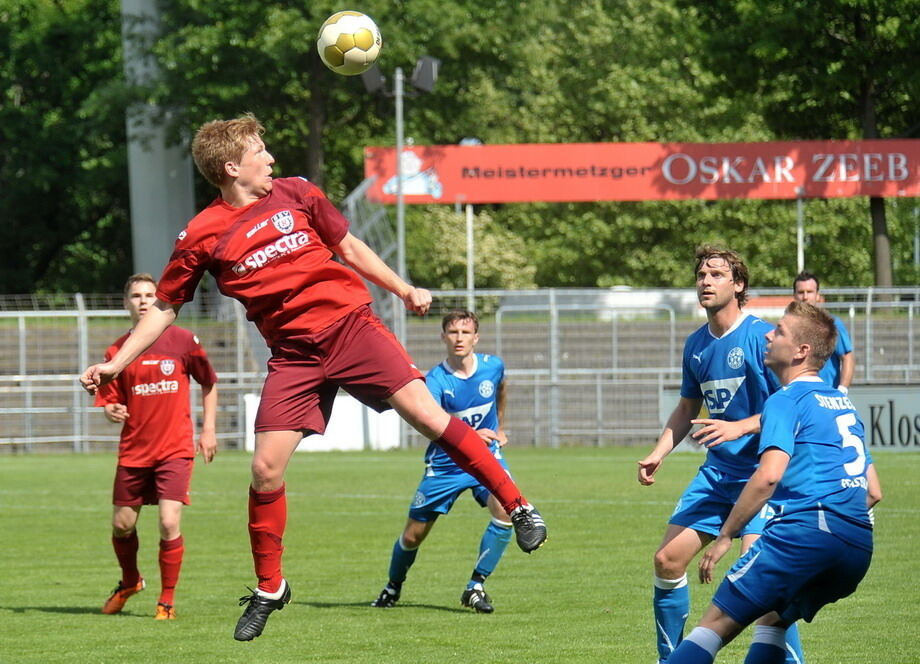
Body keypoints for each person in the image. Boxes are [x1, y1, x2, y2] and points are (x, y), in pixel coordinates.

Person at [79, 114, 546, 642]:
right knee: (264, 468)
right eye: (260, 151)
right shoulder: (201, 235)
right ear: (232, 167)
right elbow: (165, 307)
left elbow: (348, 247)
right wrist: (114, 364)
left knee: (428, 416)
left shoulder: (297, 193)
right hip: (294, 356)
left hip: (350, 327)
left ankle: (519, 505)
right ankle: (270, 587)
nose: (271, 158)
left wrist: (403, 289)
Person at [664, 301, 881, 664]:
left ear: (801, 351)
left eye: (779, 331)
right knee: (773, 621)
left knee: (712, 627)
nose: (768, 333)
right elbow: (874, 491)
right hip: (857, 549)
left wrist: (725, 536)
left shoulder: (785, 399)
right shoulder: (842, 406)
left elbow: (768, 476)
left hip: (807, 536)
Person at [636, 245, 804, 664]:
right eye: (701, 275)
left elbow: (791, 404)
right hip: (717, 474)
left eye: (716, 274)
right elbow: (687, 407)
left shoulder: (762, 337)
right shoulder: (695, 344)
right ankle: (672, 658)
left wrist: (740, 426)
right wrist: (660, 452)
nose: (706, 282)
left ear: (738, 284)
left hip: (763, 473)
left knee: (759, 574)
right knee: (667, 560)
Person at [371, 310, 514, 613]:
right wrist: (475, 433)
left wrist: (499, 426)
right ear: (443, 337)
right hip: (446, 466)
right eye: (453, 332)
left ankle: (476, 586)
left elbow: (501, 389)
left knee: (506, 510)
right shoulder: (435, 381)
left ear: (476, 337)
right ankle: (393, 586)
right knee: (412, 537)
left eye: (465, 333)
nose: (459, 338)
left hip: (485, 460)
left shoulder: (493, 367)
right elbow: (433, 424)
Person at [95, 273, 218, 620]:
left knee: (168, 522)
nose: (144, 300)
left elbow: (209, 383)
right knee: (122, 524)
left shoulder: (182, 340)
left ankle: (166, 600)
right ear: (126, 303)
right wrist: (110, 411)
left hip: (175, 449)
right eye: (136, 295)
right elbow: (110, 403)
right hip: (135, 450)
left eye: (150, 294)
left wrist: (208, 430)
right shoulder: (116, 351)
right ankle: (131, 581)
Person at [792, 271, 855, 391]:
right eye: (801, 292)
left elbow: (848, 357)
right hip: (799, 396)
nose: (805, 297)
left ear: (817, 295)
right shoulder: (788, 327)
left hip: (826, 395)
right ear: (794, 296)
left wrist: (842, 389)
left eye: (809, 292)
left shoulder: (832, 324)